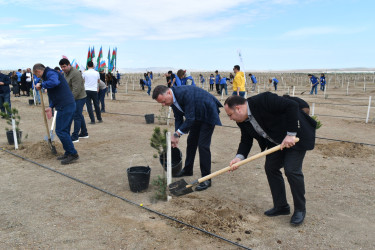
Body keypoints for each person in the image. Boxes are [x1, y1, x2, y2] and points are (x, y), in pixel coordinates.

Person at [223, 93, 316, 225]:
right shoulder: (242, 121)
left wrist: (290, 134)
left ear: (238, 108)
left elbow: (292, 105)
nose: (230, 118)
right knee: (271, 168)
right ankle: (281, 206)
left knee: (291, 170)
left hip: (296, 137)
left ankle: (300, 209)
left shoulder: (263, 100)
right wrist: (239, 157)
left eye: (230, 114)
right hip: (277, 142)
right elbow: (246, 140)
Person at [152, 85, 223, 191]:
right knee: (191, 141)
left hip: (207, 112)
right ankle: (188, 169)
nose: (163, 105)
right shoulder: (172, 100)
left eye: (163, 101)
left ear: (168, 93)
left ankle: (206, 178)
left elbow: (190, 118)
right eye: (161, 103)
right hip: (196, 115)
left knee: (203, 145)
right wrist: (177, 134)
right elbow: (178, 118)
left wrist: (177, 135)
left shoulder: (185, 93)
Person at [33, 63, 79, 165]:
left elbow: (54, 82)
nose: (37, 77)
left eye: (36, 75)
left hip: (66, 106)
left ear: (38, 71)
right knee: (64, 131)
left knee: (61, 131)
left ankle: (73, 154)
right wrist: (50, 106)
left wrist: (42, 84)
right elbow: (56, 93)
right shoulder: (48, 75)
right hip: (65, 105)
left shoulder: (50, 73)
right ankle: (68, 152)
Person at [59, 58, 89, 143]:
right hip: (72, 97)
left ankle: (75, 136)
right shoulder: (66, 73)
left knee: (76, 116)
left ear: (69, 65)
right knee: (79, 115)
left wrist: (69, 100)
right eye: (61, 67)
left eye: (64, 66)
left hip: (80, 97)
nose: (63, 69)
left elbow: (77, 89)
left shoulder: (75, 73)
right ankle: (84, 132)